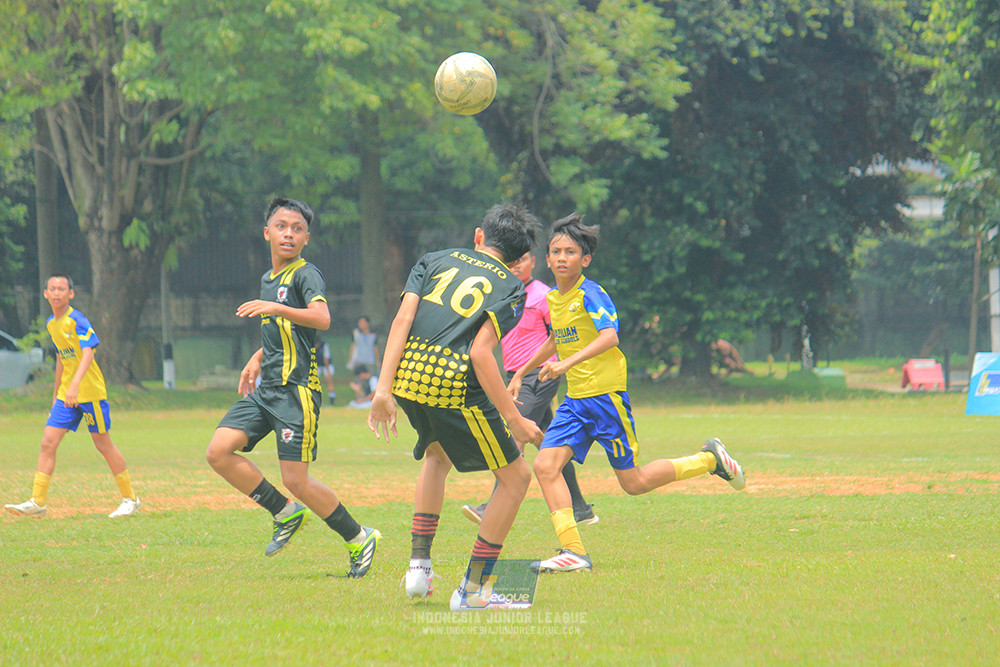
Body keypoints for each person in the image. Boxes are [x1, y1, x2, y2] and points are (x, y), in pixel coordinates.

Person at [508, 214, 746, 574]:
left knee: (634, 483)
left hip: (605, 400)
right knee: (545, 465)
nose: (561, 258)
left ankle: (710, 460)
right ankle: (573, 551)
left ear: (585, 259)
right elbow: (556, 339)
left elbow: (609, 337)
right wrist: (522, 372)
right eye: (555, 251)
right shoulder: (555, 298)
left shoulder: (592, 293)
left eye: (570, 252)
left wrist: (564, 364)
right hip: (575, 404)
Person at [368, 203, 544, 610]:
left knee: (437, 454)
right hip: (451, 382)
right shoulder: (513, 286)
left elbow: (402, 319)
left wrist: (383, 389)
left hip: (407, 377)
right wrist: (515, 419)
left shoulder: (434, 259)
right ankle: (473, 591)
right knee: (516, 477)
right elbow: (482, 355)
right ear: (519, 260)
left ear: (479, 235)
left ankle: (419, 567)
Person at [205, 196, 380, 578]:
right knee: (219, 452)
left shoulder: (305, 274)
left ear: (306, 239)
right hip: (267, 387)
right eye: (282, 226)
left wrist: (277, 309)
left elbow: (321, 317)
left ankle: (358, 537)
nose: (289, 233)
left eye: (297, 229)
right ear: (267, 232)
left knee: (295, 479)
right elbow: (283, 330)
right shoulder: (268, 279)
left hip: (296, 391)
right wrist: (257, 357)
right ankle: (284, 512)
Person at [461, 249, 598, 527]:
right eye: (512, 260)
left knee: (514, 433)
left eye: (522, 259)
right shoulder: (506, 294)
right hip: (516, 375)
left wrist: (552, 367)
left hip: (540, 374)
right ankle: (581, 508)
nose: (516, 265)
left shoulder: (544, 296)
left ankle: (492, 506)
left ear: (533, 262)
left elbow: (557, 337)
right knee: (550, 440)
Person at [5, 274, 140, 518]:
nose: (57, 293)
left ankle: (130, 499)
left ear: (71, 294)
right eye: (52, 289)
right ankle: (38, 501)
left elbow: (87, 353)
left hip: (90, 392)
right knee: (48, 441)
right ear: (45, 294)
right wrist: (57, 394)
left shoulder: (76, 320)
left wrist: (75, 385)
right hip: (66, 396)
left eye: (62, 289)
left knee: (103, 444)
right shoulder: (51, 323)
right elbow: (61, 358)